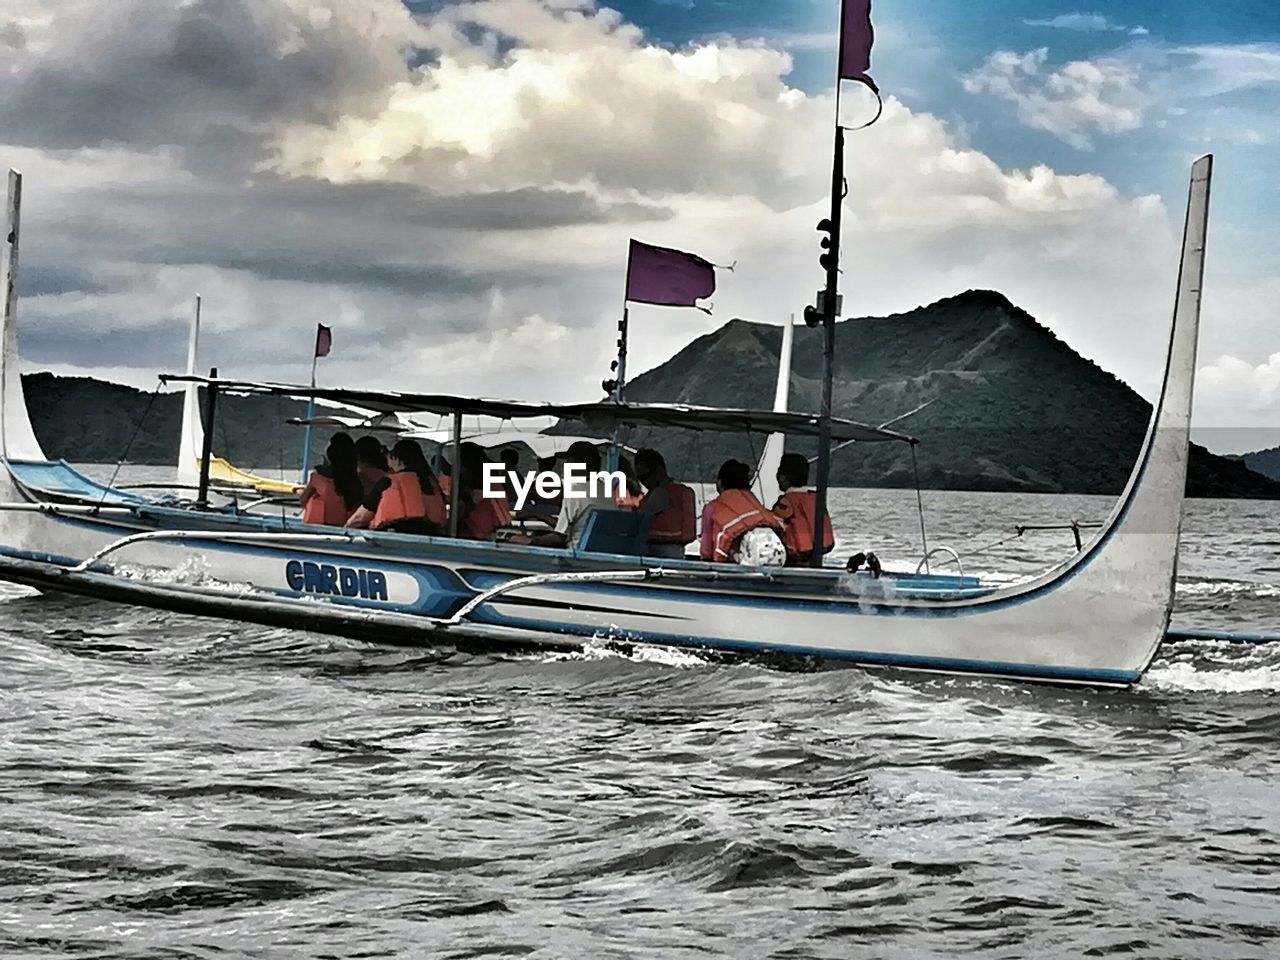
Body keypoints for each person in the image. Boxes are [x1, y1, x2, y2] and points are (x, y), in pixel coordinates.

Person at [511, 441, 619, 548]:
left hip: (576, 552)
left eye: (568, 461)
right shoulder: (606, 491)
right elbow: (566, 527)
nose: (566, 465)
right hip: (600, 549)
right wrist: (538, 515)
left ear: (577, 463)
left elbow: (558, 538)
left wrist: (529, 540)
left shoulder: (576, 491)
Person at [345, 438, 446, 534]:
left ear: (397, 459)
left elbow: (360, 518)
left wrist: (345, 529)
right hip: (431, 535)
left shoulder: (389, 482)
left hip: (394, 537)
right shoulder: (433, 484)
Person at [699, 459, 785, 566]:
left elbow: (706, 551)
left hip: (734, 565)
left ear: (720, 483)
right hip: (772, 557)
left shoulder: (711, 508)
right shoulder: (753, 502)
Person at [771, 452, 835, 566]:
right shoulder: (816, 500)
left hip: (793, 564)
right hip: (817, 561)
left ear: (782, 477)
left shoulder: (785, 503)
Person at [633, 448, 697, 560]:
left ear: (659, 471)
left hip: (665, 553)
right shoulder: (647, 498)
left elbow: (641, 520)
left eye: (645, 477)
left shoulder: (667, 493)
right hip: (662, 551)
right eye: (639, 478)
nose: (643, 482)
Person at [299, 432, 362, 526]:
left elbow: (303, 500)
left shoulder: (318, 475)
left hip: (319, 525)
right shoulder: (357, 478)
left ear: (329, 453)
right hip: (345, 525)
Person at [455, 442, 512, 540]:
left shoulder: (477, 488)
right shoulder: (495, 479)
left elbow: (464, 512)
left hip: (482, 532)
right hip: (500, 524)